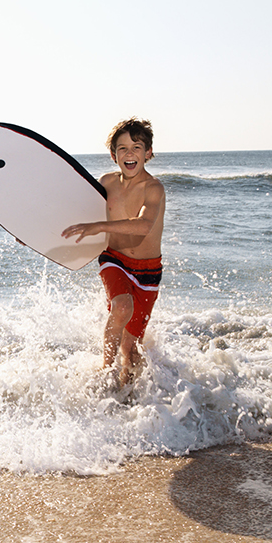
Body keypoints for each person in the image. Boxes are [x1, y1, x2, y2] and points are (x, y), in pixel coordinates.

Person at [62, 118, 166, 386]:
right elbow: (75, 215)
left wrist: (99, 225)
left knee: (131, 353)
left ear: (148, 153)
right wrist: (35, 235)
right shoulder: (106, 182)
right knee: (121, 306)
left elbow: (143, 226)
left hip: (148, 271)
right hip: (114, 259)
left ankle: (127, 394)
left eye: (136, 147)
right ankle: (105, 373)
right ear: (113, 155)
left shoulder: (153, 188)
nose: (129, 153)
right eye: (122, 148)